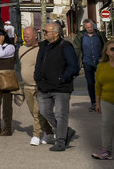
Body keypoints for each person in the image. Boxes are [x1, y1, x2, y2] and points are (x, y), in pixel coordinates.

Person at [36, 20, 82, 152]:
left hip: (61, 88)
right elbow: (39, 63)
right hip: (44, 86)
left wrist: (62, 79)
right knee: (44, 111)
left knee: (61, 115)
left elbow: (73, 66)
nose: (43, 33)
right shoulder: (43, 45)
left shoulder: (65, 45)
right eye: (43, 31)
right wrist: (37, 78)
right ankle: (66, 131)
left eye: (46, 32)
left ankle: (60, 141)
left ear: (56, 33)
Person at [20, 27, 58, 146]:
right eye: (24, 36)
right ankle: (50, 132)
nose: (26, 38)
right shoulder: (21, 48)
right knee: (34, 112)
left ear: (35, 36)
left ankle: (36, 135)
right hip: (27, 86)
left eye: (28, 36)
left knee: (38, 112)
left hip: (39, 86)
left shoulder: (42, 49)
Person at [83, 20, 108, 113]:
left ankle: (103, 102)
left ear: (93, 26)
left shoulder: (99, 35)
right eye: (88, 27)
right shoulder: (81, 37)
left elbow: (107, 46)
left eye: (91, 27)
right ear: (85, 28)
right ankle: (93, 103)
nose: (90, 29)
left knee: (102, 82)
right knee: (90, 84)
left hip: (99, 61)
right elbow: (77, 49)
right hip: (87, 62)